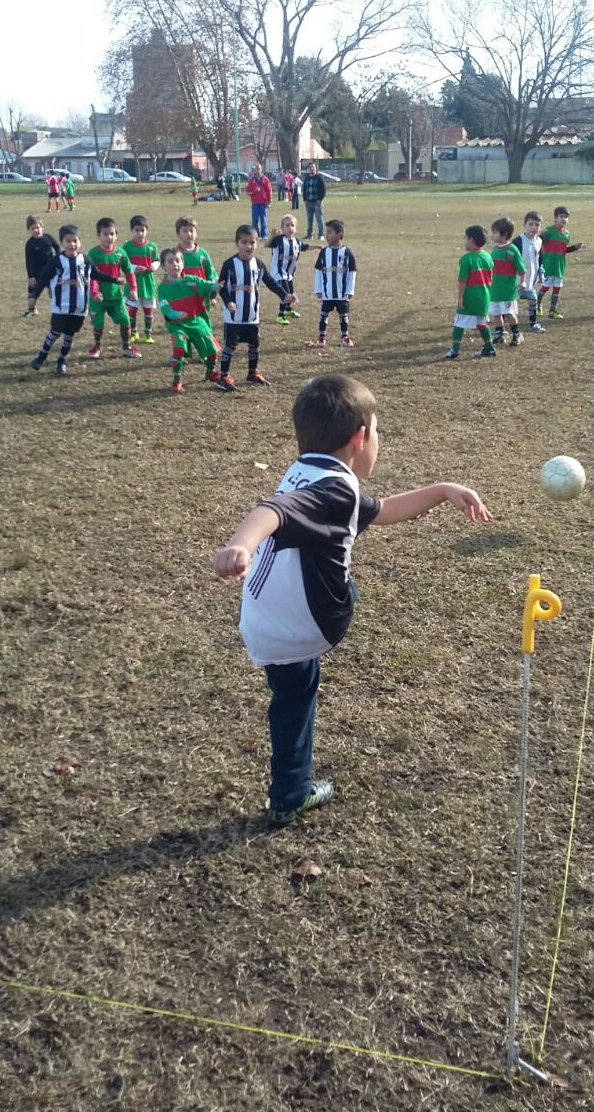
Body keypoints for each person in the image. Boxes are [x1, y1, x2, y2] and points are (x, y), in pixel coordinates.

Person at [212, 372, 493, 827]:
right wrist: (240, 544)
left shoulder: (309, 471)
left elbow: (378, 511)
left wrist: (444, 491)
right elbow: (272, 511)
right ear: (361, 438)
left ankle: (289, 789)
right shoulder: (334, 490)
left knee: (291, 692)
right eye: (378, 432)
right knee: (297, 692)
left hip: (263, 615)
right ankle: (292, 793)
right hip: (309, 624)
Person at [213, 224, 297, 392]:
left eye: (252, 242)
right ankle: (223, 376)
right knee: (230, 346)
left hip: (252, 314)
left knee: (254, 344)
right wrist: (228, 301)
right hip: (234, 316)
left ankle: (252, 373)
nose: (248, 246)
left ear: (257, 243)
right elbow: (220, 287)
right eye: (244, 242)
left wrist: (285, 295)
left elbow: (271, 282)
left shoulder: (258, 264)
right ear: (237, 243)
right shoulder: (229, 264)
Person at [29, 223, 114, 376]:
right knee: (55, 331)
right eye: (68, 241)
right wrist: (34, 296)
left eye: (75, 241)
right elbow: (43, 279)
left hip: (79, 308)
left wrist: (115, 280)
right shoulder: (56, 261)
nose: (72, 244)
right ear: (62, 243)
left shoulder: (85, 260)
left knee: (69, 334)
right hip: (60, 306)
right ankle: (42, 355)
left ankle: (61, 361)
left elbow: (96, 274)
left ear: (80, 242)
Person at [158, 247, 220, 394]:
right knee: (178, 348)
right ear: (163, 266)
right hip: (178, 325)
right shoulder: (162, 288)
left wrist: (216, 287)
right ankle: (177, 381)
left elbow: (208, 288)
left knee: (213, 351)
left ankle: (210, 372)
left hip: (197, 321)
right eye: (170, 261)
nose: (175, 264)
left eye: (178, 261)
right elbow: (164, 307)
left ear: (183, 263)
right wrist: (173, 314)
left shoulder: (192, 281)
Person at [87, 216, 141, 360]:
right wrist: (94, 292)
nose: (109, 237)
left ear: (116, 235)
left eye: (112, 234)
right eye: (105, 234)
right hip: (97, 298)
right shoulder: (93, 254)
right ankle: (97, 345)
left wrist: (134, 289)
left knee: (125, 320)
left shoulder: (121, 254)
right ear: (98, 235)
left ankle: (126, 347)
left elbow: (129, 272)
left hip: (115, 296)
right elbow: (92, 276)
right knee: (98, 322)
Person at [445, 225, 495, 360]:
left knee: (459, 323)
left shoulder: (467, 259)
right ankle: (489, 347)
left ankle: (454, 350)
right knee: (482, 323)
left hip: (471, 296)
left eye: (465, 238)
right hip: (484, 296)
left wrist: (460, 297)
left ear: (471, 240)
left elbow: (463, 280)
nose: (464, 241)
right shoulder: (487, 257)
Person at [314, 219, 357, 348]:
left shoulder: (347, 252)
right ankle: (321, 337)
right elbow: (318, 271)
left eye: (330, 232)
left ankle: (345, 337)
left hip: (341, 293)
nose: (327, 236)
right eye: (326, 233)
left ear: (339, 234)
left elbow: (352, 272)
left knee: (343, 315)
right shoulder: (324, 252)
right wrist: (318, 289)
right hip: (327, 292)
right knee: (323, 315)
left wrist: (350, 291)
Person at [536, 206, 583, 319]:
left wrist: (574, 248)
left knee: (557, 288)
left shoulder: (566, 234)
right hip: (548, 265)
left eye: (566, 217)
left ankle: (553, 310)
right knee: (545, 287)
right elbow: (537, 243)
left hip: (559, 266)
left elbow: (563, 250)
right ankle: (537, 306)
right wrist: (541, 235)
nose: (564, 219)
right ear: (555, 218)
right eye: (561, 216)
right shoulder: (548, 231)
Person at [123, 215, 160, 343]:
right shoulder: (127, 247)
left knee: (148, 310)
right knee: (132, 309)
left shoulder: (151, 246)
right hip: (133, 284)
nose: (140, 233)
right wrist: (134, 268)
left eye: (142, 230)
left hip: (148, 283)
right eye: (137, 230)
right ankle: (134, 333)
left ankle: (148, 335)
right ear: (132, 231)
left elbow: (157, 260)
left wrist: (153, 267)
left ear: (147, 230)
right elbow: (123, 263)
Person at [489, 217, 525, 347]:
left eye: (495, 232)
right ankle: (500, 334)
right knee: (496, 313)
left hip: (507, 290)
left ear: (503, 234)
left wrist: (522, 282)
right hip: (495, 289)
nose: (492, 235)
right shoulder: (495, 250)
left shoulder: (512, 250)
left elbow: (521, 268)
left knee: (509, 313)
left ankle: (517, 334)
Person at [269, 214, 310, 324]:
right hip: (278, 273)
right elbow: (267, 245)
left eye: (292, 225)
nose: (290, 228)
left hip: (289, 273)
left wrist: (317, 247)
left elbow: (305, 247)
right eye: (287, 225)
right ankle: (280, 315)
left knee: (291, 291)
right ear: (282, 228)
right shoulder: (278, 240)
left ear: (295, 228)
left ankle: (288, 310)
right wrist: (272, 237)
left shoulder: (297, 242)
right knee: (286, 294)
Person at [513, 212, 546, 333]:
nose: (534, 227)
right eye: (531, 224)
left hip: (530, 279)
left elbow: (540, 258)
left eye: (537, 225)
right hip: (516, 280)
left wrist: (540, 273)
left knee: (533, 300)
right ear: (524, 225)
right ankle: (500, 327)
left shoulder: (539, 241)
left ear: (541, 227)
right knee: (509, 304)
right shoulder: (518, 241)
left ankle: (533, 323)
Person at [24, 215, 59, 317]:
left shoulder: (48, 237)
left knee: (54, 288)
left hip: (50, 269)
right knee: (32, 290)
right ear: (29, 230)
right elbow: (28, 261)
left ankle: (58, 307)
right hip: (37, 271)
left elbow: (57, 247)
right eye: (32, 228)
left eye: (37, 227)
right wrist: (30, 276)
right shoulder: (30, 244)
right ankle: (32, 309)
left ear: (42, 227)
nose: (36, 230)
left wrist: (57, 258)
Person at [246, 163, 272, 239]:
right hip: (255, 203)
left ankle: (264, 235)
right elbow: (248, 192)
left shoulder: (265, 179)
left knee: (263, 220)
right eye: (256, 169)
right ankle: (256, 235)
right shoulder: (251, 181)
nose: (257, 171)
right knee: (254, 220)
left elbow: (269, 191)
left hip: (264, 203)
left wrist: (269, 201)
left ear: (261, 170)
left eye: (259, 169)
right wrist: (254, 191)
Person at [302, 162, 326, 239]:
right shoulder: (306, 179)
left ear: (315, 168)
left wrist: (320, 199)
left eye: (313, 167)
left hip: (317, 202)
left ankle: (321, 234)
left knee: (319, 219)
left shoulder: (319, 178)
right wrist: (305, 199)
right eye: (310, 167)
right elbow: (304, 190)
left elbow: (323, 190)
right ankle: (309, 234)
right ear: (308, 169)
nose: (312, 169)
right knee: (309, 220)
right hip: (309, 202)